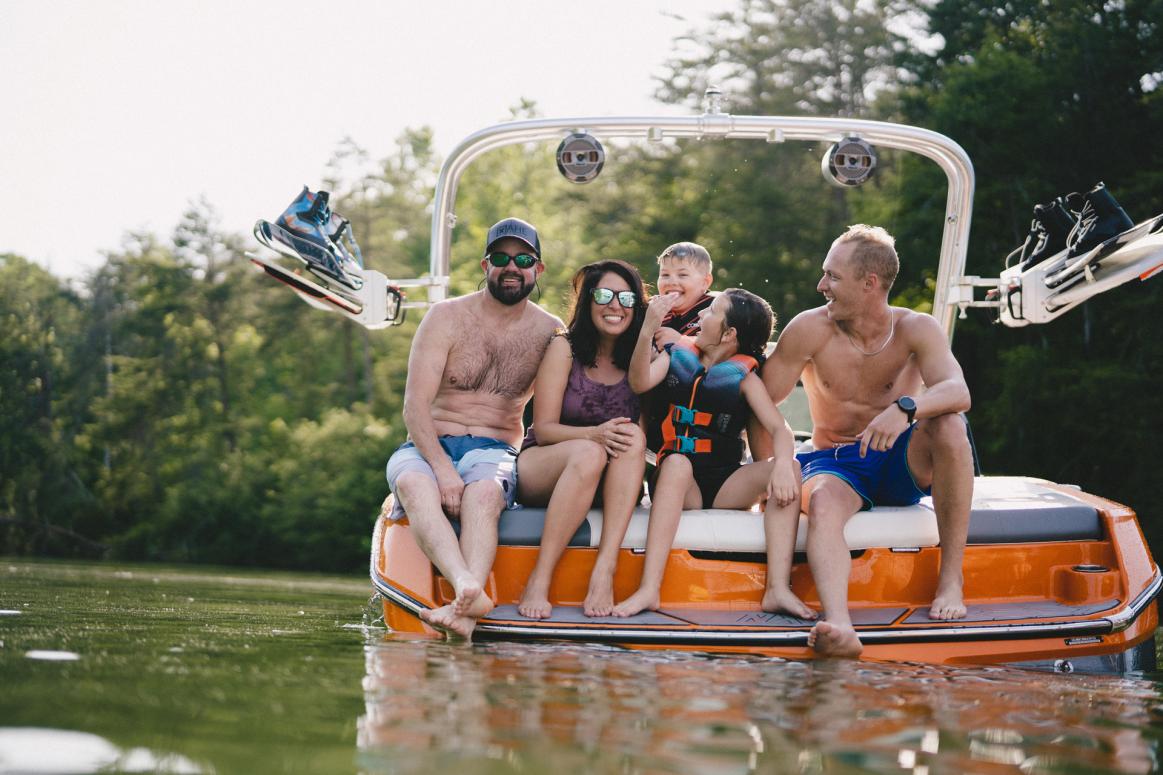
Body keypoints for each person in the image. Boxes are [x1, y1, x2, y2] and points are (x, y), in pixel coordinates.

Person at [760, 224, 974, 658]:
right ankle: (839, 624)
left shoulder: (916, 328)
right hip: (835, 460)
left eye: (832, 276)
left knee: (951, 426)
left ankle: (951, 579)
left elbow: (959, 392)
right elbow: (760, 401)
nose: (821, 286)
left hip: (900, 461)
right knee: (823, 502)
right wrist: (771, 463)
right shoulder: (810, 329)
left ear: (869, 283)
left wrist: (906, 408)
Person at [384, 217, 562, 639]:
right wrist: (443, 468)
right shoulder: (445, 316)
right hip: (429, 443)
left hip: (494, 448)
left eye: (524, 260)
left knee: (483, 494)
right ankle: (469, 587)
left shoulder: (550, 331)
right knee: (412, 484)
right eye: (501, 258)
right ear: (486, 265)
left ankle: (463, 609)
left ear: (538, 269)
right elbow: (414, 406)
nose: (512, 267)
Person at [613, 288, 810, 619]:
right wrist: (648, 329)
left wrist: (780, 468)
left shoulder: (745, 378)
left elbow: (780, 430)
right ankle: (649, 589)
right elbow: (639, 382)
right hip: (679, 484)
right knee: (677, 462)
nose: (702, 315)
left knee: (788, 466)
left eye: (712, 311)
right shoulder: (675, 356)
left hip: (725, 484)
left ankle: (777, 589)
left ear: (729, 333)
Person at [515, 260, 649, 619]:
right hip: (546, 464)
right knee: (591, 453)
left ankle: (604, 571)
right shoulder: (565, 348)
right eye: (604, 295)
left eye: (626, 298)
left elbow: (645, 435)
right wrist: (594, 435)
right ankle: (539, 579)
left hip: (609, 478)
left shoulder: (641, 359)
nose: (615, 305)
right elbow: (544, 428)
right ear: (588, 300)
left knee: (633, 437)